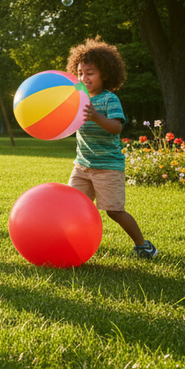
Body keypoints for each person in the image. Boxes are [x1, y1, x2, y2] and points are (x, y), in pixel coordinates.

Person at [66, 38, 158, 258]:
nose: (83, 78)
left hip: (108, 167)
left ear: (104, 74)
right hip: (82, 166)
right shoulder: (78, 98)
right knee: (72, 207)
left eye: (90, 73)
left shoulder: (110, 99)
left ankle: (143, 244)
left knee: (114, 211)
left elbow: (116, 128)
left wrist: (96, 117)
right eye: (80, 73)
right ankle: (73, 242)